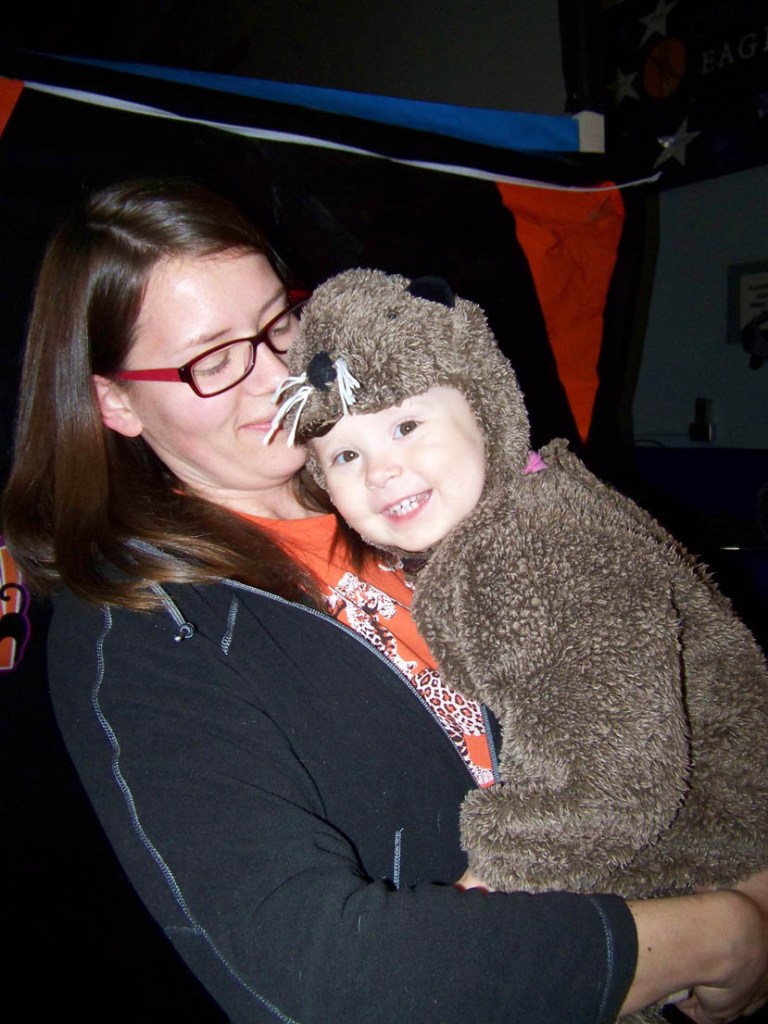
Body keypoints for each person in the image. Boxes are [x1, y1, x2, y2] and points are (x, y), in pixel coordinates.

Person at [3, 178, 768, 1024]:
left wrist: (757, 882)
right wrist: (706, 937)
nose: (274, 380)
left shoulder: (420, 476)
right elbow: (320, 971)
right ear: (113, 399)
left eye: (278, 323)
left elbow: (684, 659)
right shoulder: (141, 632)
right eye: (214, 359)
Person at [269, 268, 768, 919]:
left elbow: (611, 777)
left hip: (698, 854)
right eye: (345, 457)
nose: (383, 470)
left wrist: (490, 887)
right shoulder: (492, 526)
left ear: (482, 408)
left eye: (406, 426)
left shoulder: (538, 545)